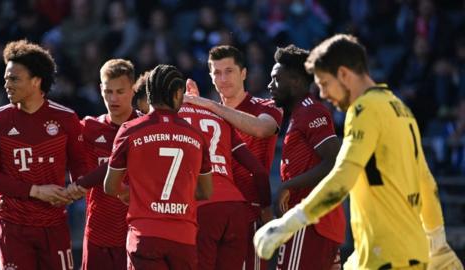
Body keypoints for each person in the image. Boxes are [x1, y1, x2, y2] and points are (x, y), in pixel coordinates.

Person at [254, 34, 464, 270]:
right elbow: (425, 180)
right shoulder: (399, 108)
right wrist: (437, 241)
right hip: (400, 250)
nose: (323, 94)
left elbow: (343, 174)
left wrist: (291, 222)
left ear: (343, 75)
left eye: (324, 83)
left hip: (383, 253)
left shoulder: (363, 110)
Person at [0, 40, 87, 269]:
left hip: (54, 226)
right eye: (5, 79)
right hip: (12, 228)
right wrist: (36, 191)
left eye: (14, 79)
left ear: (36, 81)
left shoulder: (67, 119)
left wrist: (75, 189)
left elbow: (80, 167)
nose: (7, 85)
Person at [104, 64, 213, 270]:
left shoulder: (130, 130)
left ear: (148, 93)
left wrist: (134, 194)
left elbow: (111, 186)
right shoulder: (196, 136)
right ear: (178, 93)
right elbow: (206, 191)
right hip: (184, 237)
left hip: (145, 235)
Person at [185, 45, 283, 270]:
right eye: (217, 73)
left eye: (229, 71)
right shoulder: (205, 113)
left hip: (254, 213)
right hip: (211, 212)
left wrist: (207, 106)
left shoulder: (266, 106)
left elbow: (262, 129)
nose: (223, 78)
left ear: (244, 73)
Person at [268, 44, 345, 269]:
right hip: (318, 221)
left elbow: (333, 162)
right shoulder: (300, 113)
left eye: (276, 79)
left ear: (296, 81)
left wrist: (287, 186)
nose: (270, 85)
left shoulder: (312, 111)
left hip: (310, 221)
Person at [178, 87, 269, 269]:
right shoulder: (219, 117)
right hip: (236, 208)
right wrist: (266, 209)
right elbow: (258, 171)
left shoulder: (170, 118)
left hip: (200, 207)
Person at [74, 59, 140, 270]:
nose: (113, 98)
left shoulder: (146, 129)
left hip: (136, 234)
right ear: (100, 89)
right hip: (97, 234)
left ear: (133, 89)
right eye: (108, 91)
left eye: (120, 91)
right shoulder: (89, 128)